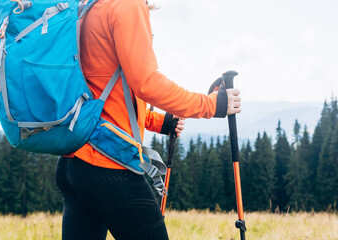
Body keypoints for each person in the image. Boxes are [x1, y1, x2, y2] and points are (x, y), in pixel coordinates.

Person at [55, 0, 241, 239]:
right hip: (109, 164)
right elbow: (146, 83)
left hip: (74, 164)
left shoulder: (88, 7)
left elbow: (103, 90)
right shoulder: (126, 4)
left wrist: (158, 122)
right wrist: (212, 105)